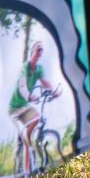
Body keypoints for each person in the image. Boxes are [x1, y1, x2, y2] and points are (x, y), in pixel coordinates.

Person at [9, 41, 56, 170]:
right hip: (15, 108)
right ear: (32, 51)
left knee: (38, 117)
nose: (40, 52)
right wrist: (29, 96)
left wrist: (54, 92)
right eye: (38, 49)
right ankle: (26, 172)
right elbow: (22, 86)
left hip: (25, 106)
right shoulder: (25, 67)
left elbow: (46, 83)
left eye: (42, 50)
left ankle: (26, 137)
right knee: (26, 141)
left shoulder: (39, 69)